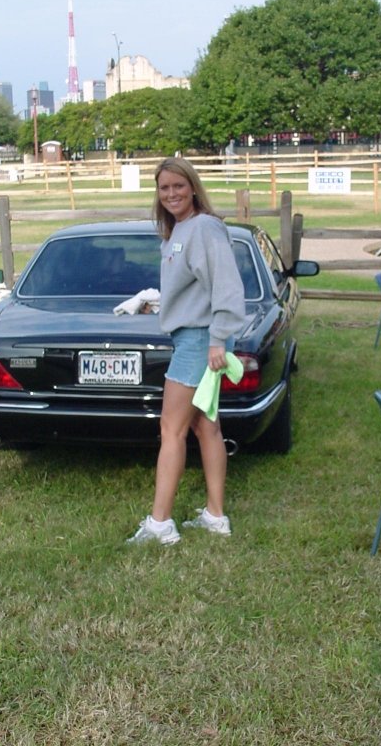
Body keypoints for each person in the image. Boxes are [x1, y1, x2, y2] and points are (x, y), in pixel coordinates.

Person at [128, 157, 246, 545]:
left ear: (193, 187)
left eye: (179, 186)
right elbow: (193, 287)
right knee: (205, 426)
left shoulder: (205, 228)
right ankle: (216, 516)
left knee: (171, 429)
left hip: (199, 341)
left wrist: (218, 339)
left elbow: (226, 286)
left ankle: (160, 524)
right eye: (164, 188)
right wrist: (159, 304)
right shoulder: (178, 229)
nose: (171, 194)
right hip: (191, 336)